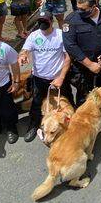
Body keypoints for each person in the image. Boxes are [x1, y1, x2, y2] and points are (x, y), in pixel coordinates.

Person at [19, 11, 72, 143]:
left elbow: (68, 57)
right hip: (39, 78)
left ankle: (70, 129)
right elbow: (25, 49)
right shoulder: (34, 35)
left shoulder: (60, 35)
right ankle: (33, 125)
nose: (42, 24)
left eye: (45, 21)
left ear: (51, 21)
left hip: (59, 78)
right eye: (40, 21)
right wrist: (23, 55)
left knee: (66, 104)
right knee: (37, 104)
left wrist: (61, 77)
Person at [62, 0, 101, 107]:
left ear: (94, 7)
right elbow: (70, 45)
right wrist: (89, 64)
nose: (79, 11)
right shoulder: (71, 20)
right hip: (82, 65)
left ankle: (100, 109)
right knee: (84, 94)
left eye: (83, 9)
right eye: (78, 8)